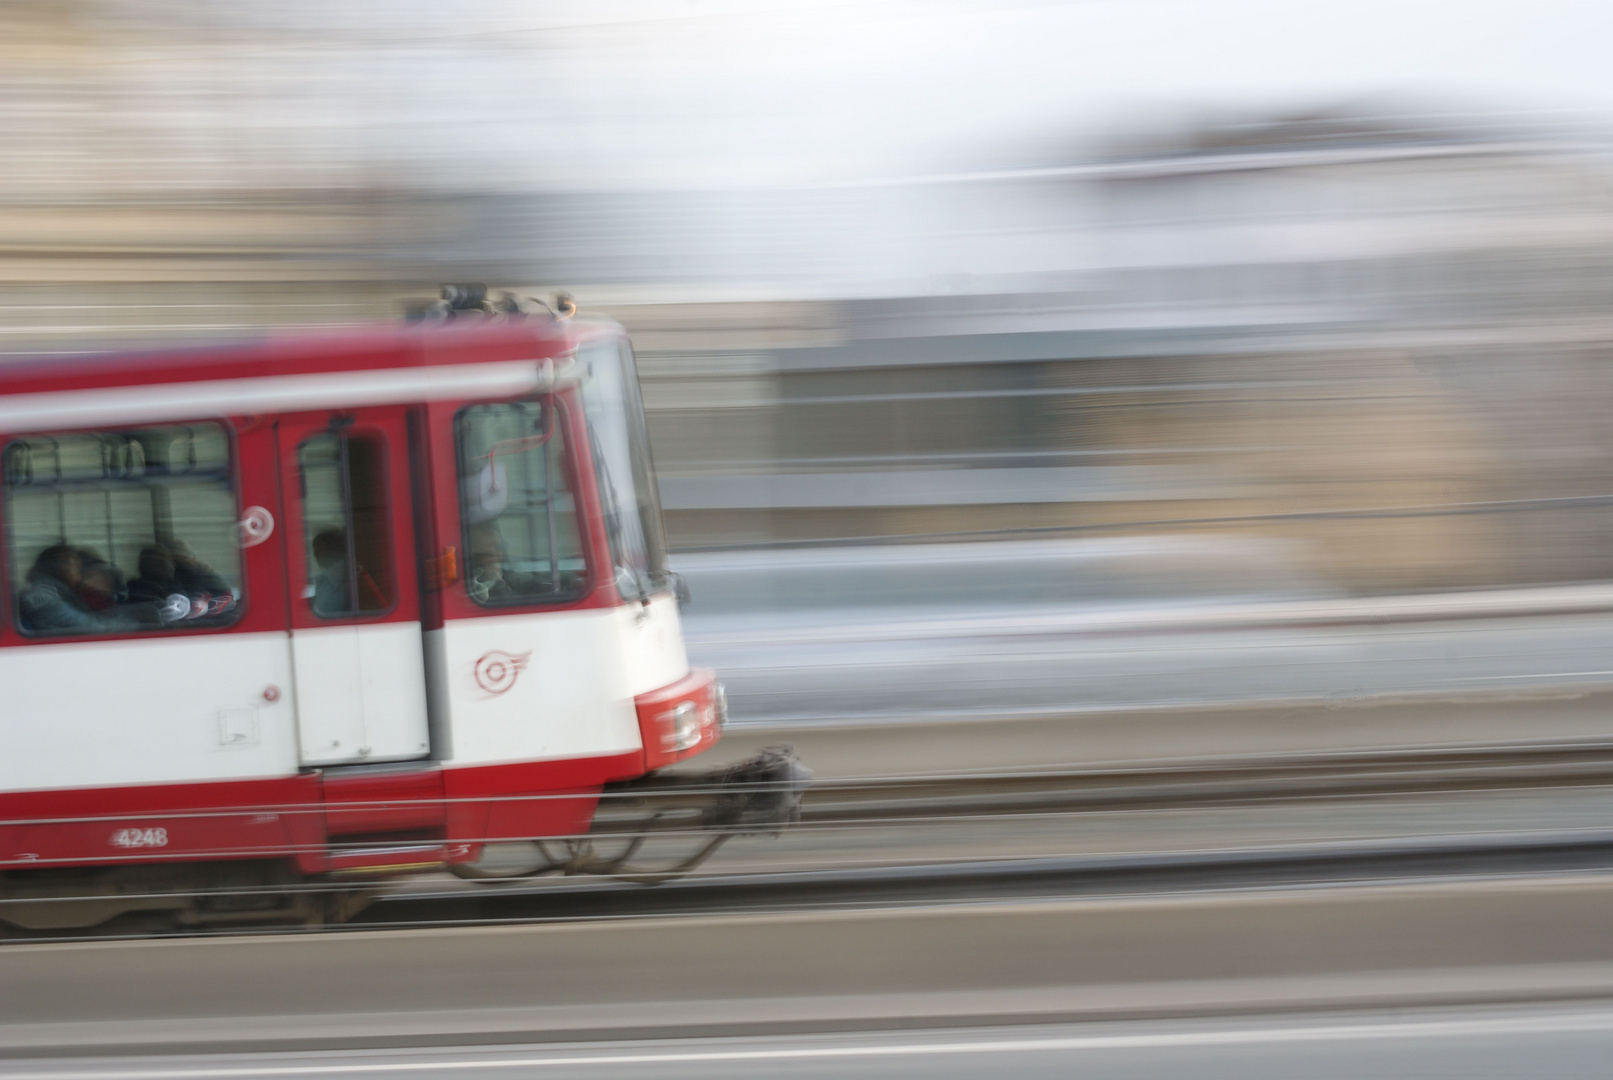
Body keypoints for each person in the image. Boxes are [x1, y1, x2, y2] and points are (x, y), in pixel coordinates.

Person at [17, 544, 131, 634]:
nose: (79, 569)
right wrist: (136, 625)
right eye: (74, 564)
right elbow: (91, 627)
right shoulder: (43, 598)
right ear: (59, 567)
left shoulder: (60, 593)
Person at [309, 527, 352, 617]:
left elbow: (323, 612)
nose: (315, 555)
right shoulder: (336, 574)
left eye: (318, 549)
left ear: (330, 549)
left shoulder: (333, 579)